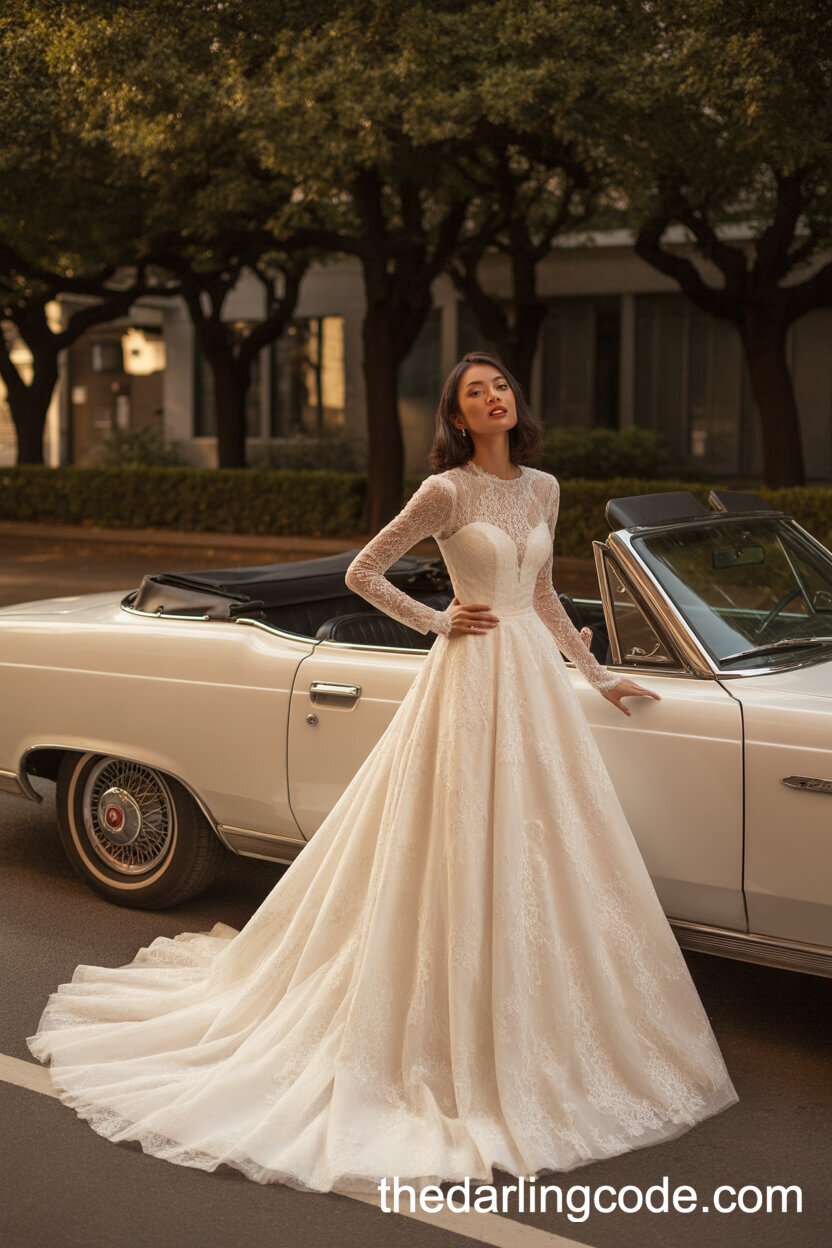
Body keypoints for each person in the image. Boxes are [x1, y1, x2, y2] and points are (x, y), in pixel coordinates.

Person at [26, 351, 738, 1195]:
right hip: (470, 678)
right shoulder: (445, 491)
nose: (494, 398)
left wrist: (596, 675)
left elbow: (545, 595)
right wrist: (437, 620)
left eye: (500, 386)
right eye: (475, 393)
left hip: (536, 689)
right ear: (457, 416)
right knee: (456, 838)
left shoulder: (544, 488)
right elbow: (363, 571)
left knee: (547, 844)